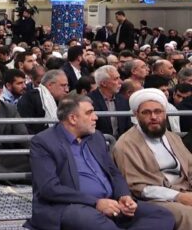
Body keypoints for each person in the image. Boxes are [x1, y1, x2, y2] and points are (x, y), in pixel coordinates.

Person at [26, 94, 174, 230]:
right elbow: (49, 188)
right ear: (73, 118)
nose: (95, 117)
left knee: (161, 215)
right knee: (97, 223)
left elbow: (114, 173)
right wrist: (96, 202)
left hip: (111, 202)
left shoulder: (96, 137)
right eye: (89, 113)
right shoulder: (44, 142)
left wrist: (124, 196)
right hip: (70, 206)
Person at [112, 88, 192, 228]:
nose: (153, 117)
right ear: (136, 115)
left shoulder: (172, 137)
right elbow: (138, 188)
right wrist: (177, 196)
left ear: (165, 113)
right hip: (154, 200)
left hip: (185, 190)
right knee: (187, 213)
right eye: (146, 112)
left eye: (158, 111)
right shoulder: (125, 145)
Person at [17, 69, 70, 134]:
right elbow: (24, 128)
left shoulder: (61, 101)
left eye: (67, 86)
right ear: (50, 85)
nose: (67, 90)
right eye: (63, 85)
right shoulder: (30, 98)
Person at [88, 65, 131, 138]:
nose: (120, 82)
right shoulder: (89, 101)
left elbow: (128, 127)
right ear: (104, 83)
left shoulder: (123, 100)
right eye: (116, 79)